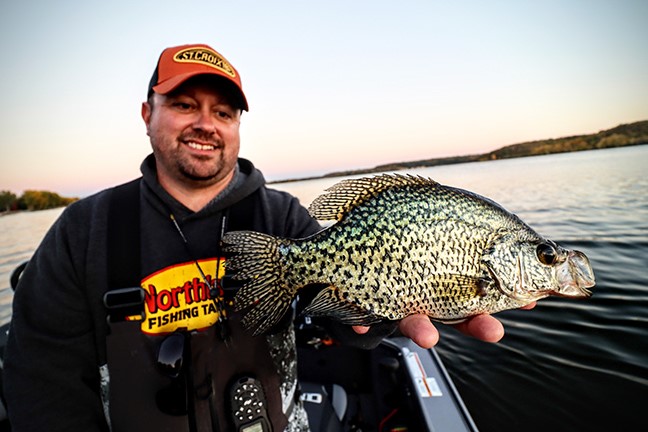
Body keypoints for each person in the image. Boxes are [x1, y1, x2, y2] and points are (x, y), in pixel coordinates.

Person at [3, 43, 527, 432]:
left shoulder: (283, 216)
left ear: (237, 126)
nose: (206, 124)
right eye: (185, 104)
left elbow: (338, 316)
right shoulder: (84, 229)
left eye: (224, 112)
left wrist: (374, 318)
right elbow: (41, 378)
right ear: (148, 115)